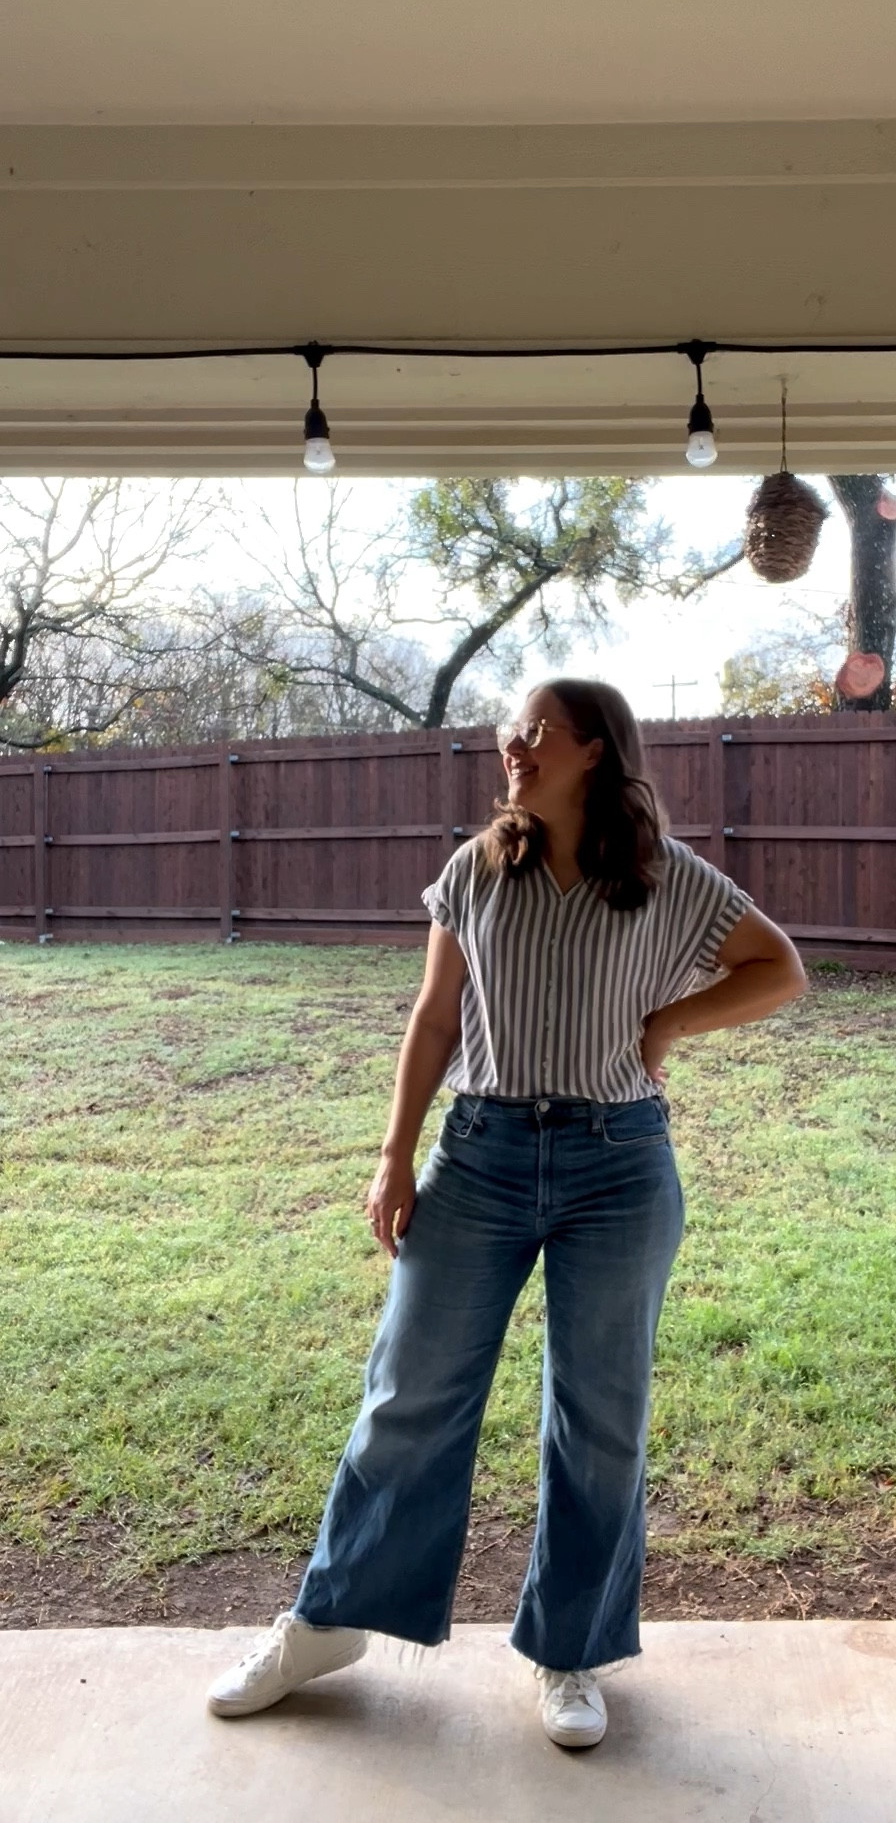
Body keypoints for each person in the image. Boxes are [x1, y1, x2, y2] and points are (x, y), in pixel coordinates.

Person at [206, 678, 807, 1747]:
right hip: (477, 1158)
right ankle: (329, 1619)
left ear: (593, 749)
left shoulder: (667, 879)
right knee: (409, 1393)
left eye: (535, 730)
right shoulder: (476, 870)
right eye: (511, 732)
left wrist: (665, 1025)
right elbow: (435, 1020)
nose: (513, 747)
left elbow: (779, 970)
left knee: (599, 1420)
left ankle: (568, 1650)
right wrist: (394, 1157)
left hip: (619, 1167)